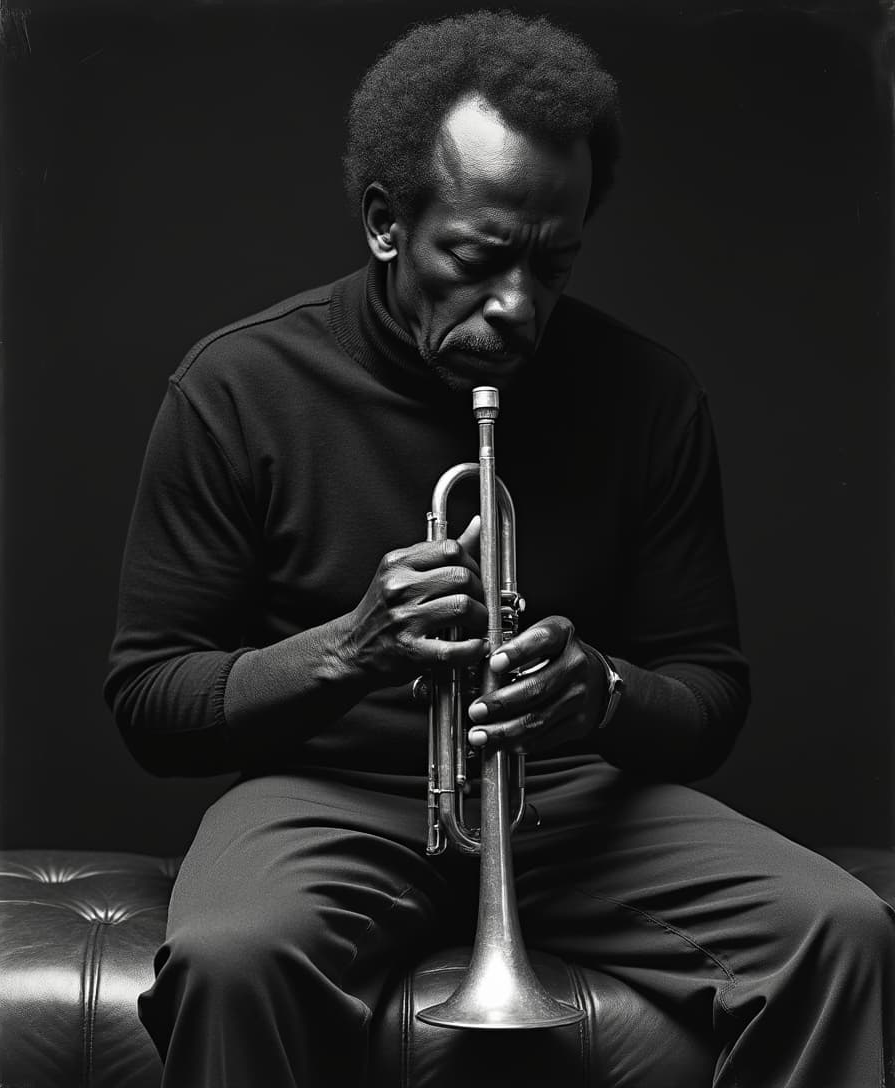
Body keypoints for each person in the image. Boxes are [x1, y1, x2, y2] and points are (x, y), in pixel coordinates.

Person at [104, 10, 895, 1087]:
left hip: (568, 796)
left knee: (837, 928)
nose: (516, 306)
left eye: (553, 266)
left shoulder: (645, 393)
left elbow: (708, 693)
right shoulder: (238, 388)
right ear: (387, 224)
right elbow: (151, 697)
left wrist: (601, 690)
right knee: (228, 956)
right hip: (326, 794)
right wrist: (345, 647)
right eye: (478, 258)